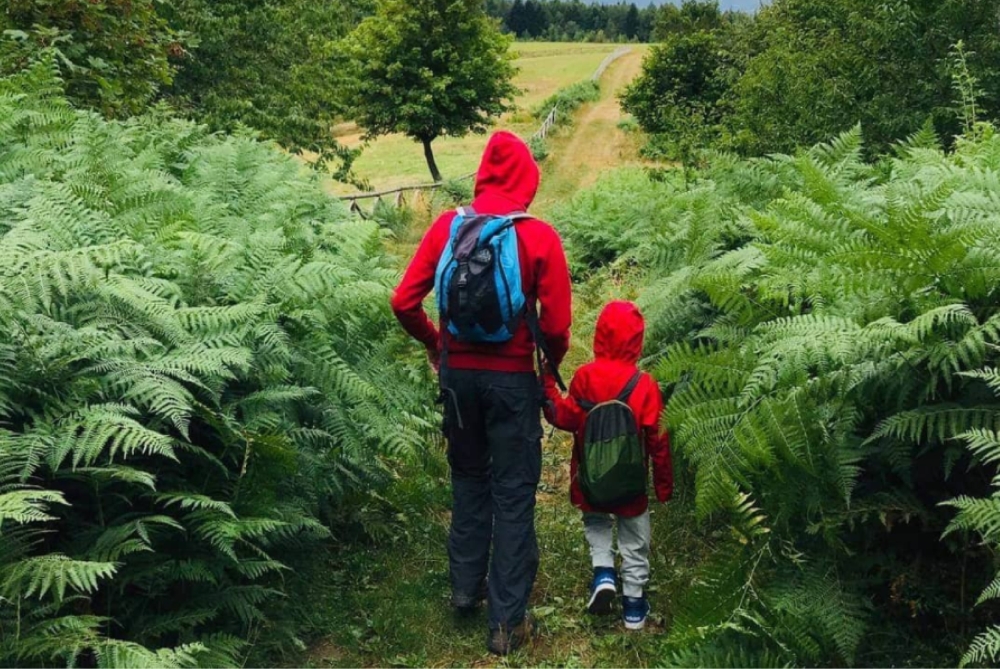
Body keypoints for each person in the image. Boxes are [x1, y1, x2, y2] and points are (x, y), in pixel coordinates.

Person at [390, 130, 572, 655]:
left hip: (458, 380)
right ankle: (506, 623)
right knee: (513, 490)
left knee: (469, 477)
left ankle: (465, 590)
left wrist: (436, 343)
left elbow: (403, 301)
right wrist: (547, 369)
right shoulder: (538, 236)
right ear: (527, 179)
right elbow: (557, 326)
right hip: (512, 382)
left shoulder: (448, 226)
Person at [542, 300, 672, 630]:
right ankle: (634, 606)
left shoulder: (585, 377)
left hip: (591, 480)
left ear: (599, 335)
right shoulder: (645, 384)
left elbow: (564, 416)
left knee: (596, 521)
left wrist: (546, 385)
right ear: (637, 340)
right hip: (631, 483)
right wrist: (663, 485)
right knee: (635, 538)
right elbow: (658, 440)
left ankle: (603, 573)